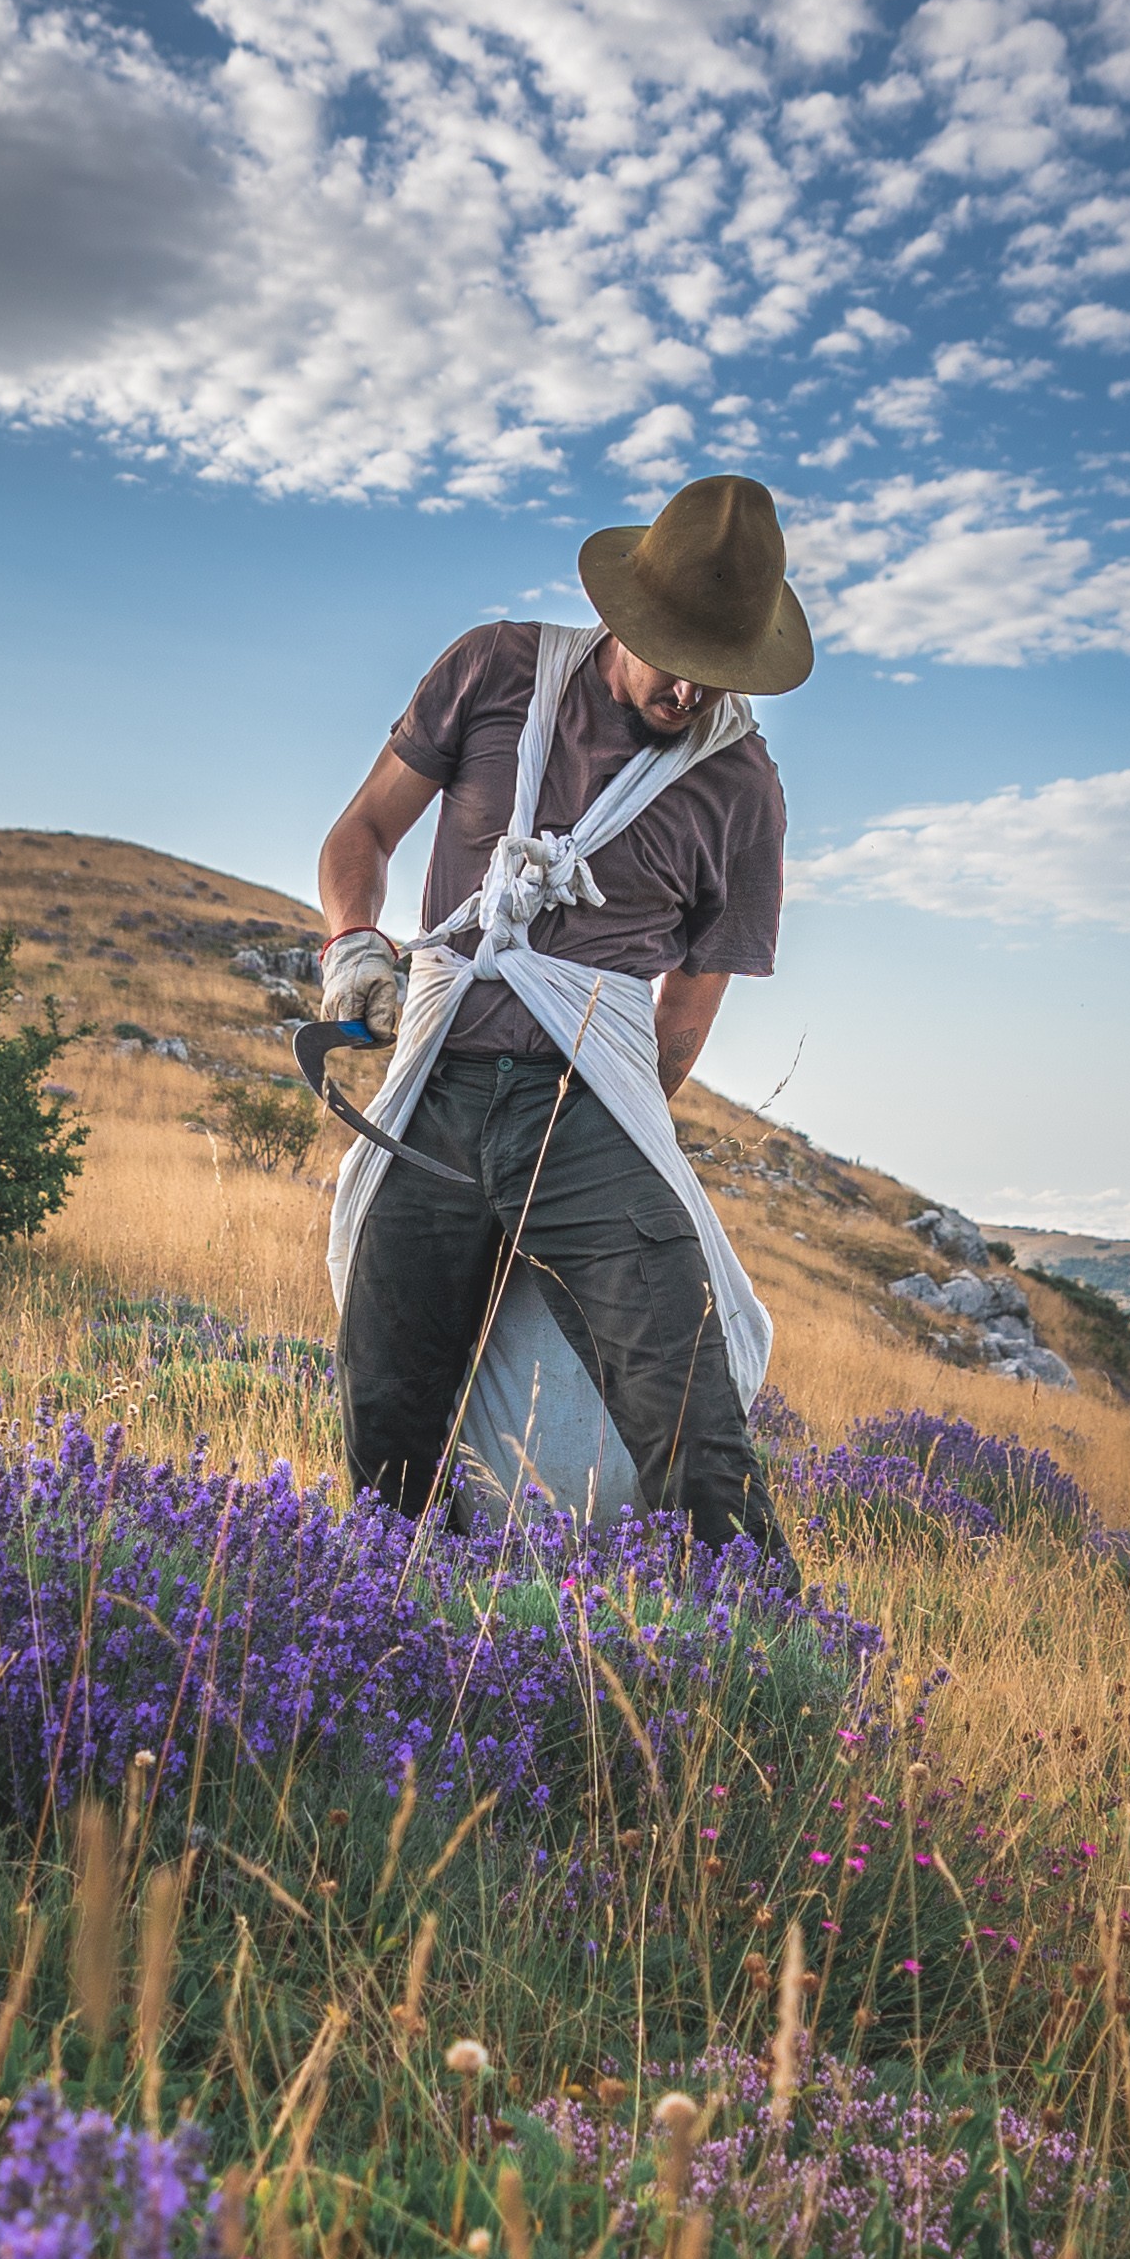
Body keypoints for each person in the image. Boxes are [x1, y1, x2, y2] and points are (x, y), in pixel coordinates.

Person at [314, 472, 810, 1566]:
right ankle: (401, 1640)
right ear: (621, 612)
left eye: (715, 668)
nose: (687, 688)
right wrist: (354, 939)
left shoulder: (741, 790)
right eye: (668, 649)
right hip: (436, 1091)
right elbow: (362, 832)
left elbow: (685, 1012)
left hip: (586, 1107)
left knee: (686, 1401)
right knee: (388, 1399)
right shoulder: (493, 671)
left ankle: (767, 1664)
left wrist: (605, 1123)